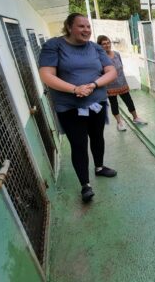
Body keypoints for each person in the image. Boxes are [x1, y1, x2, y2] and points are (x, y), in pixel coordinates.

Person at [39, 13, 118, 203]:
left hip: (96, 103)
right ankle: (85, 185)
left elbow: (111, 71)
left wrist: (94, 85)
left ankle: (99, 167)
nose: (86, 30)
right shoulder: (54, 46)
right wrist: (74, 89)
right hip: (70, 107)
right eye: (81, 26)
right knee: (79, 144)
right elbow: (46, 75)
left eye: (88, 26)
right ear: (69, 27)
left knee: (97, 137)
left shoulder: (96, 48)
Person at [97, 35, 147, 131]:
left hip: (122, 83)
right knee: (114, 104)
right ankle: (119, 123)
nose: (107, 45)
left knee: (129, 101)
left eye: (108, 43)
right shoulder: (100, 58)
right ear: (100, 46)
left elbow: (120, 67)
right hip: (110, 86)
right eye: (104, 44)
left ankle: (135, 118)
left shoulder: (116, 54)